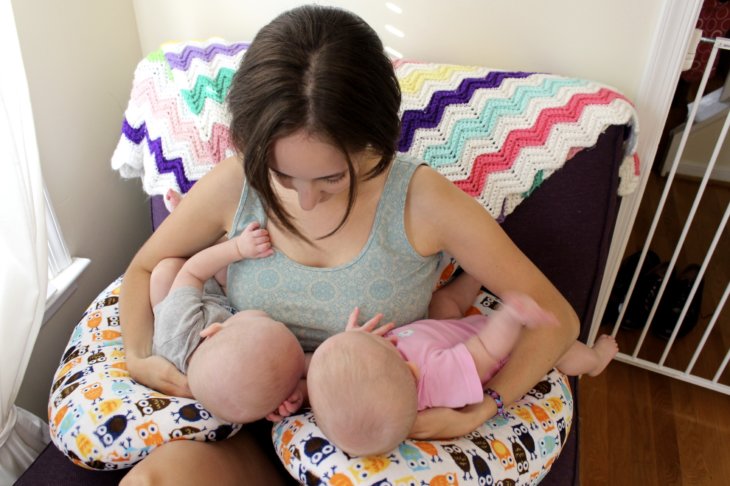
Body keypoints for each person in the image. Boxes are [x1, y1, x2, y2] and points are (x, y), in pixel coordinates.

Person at [118, 5, 581, 484]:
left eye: (331, 178)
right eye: (282, 175)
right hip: (247, 429)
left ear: (372, 142)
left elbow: (558, 318)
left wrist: (482, 409)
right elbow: (145, 267)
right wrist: (138, 355)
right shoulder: (236, 183)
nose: (305, 200)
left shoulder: (421, 201)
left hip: (373, 444)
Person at [307, 273, 619, 456]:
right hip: (501, 346)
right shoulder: (436, 378)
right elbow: (486, 349)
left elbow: (346, 375)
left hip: (449, 331)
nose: (380, 339)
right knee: (565, 352)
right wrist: (510, 316)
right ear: (412, 372)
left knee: (443, 302)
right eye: (378, 344)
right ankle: (595, 360)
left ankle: (475, 274)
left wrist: (353, 340)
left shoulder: (377, 371)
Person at [149, 220, 306, 424]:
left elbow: (192, 272)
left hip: (181, 291)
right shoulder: (238, 382)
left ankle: (198, 235)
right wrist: (295, 393)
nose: (271, 316)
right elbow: (296, 369)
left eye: (265, 319)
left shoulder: (181, 327)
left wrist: (237, 248)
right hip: (218, 303)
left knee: (166, 270)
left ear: (214, 330)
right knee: (228, 275)